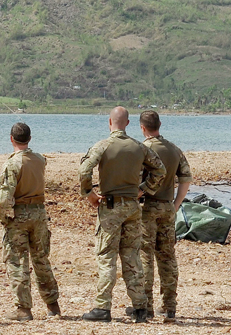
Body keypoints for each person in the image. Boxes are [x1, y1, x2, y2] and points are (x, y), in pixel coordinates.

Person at [78, 106, 165, 323]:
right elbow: (160, 170)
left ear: (109, 122)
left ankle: (102, 307)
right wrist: (143, 189)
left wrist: (89, 193)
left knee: (107, 256)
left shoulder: (103, 145)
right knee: (132, 255)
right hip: (132, 207)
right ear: (127, 123)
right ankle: (140, 308)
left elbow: (84, 170)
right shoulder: (138, 147)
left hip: (110, 207)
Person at [0, 122, 60, 321]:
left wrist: (2, 216)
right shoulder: (40, 159)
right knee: (41, 259)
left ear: (11, 139)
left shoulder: (12, 164)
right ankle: (53, 305)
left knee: (17, 261)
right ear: (29, 139)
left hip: (19, 214)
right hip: (39, 213)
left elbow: (5, 197)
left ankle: (23, 308)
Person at [133, 110, 192, 322]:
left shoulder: (142, 149)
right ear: (160, 125)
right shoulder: (174, 149)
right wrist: (176, 204)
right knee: (167, 256)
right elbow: (185, 178)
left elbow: (135, 180)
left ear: (142, 128)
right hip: (167, 206)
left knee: (145, 256)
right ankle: (170, 306)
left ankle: (146, 306)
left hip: (147, 207)